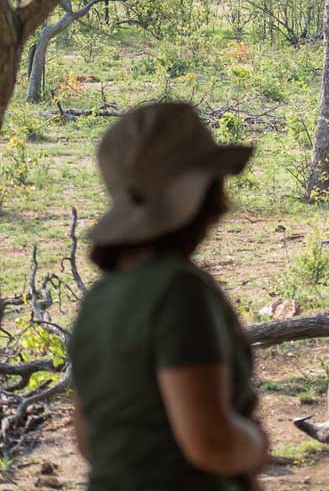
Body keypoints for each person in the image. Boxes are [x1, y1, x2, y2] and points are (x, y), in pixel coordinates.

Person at [71, 101, 269, 491]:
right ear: (204, 195)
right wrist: (255, 444)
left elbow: (89, 440)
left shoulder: (98, 298)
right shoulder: (180, 292)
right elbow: (211, 443)